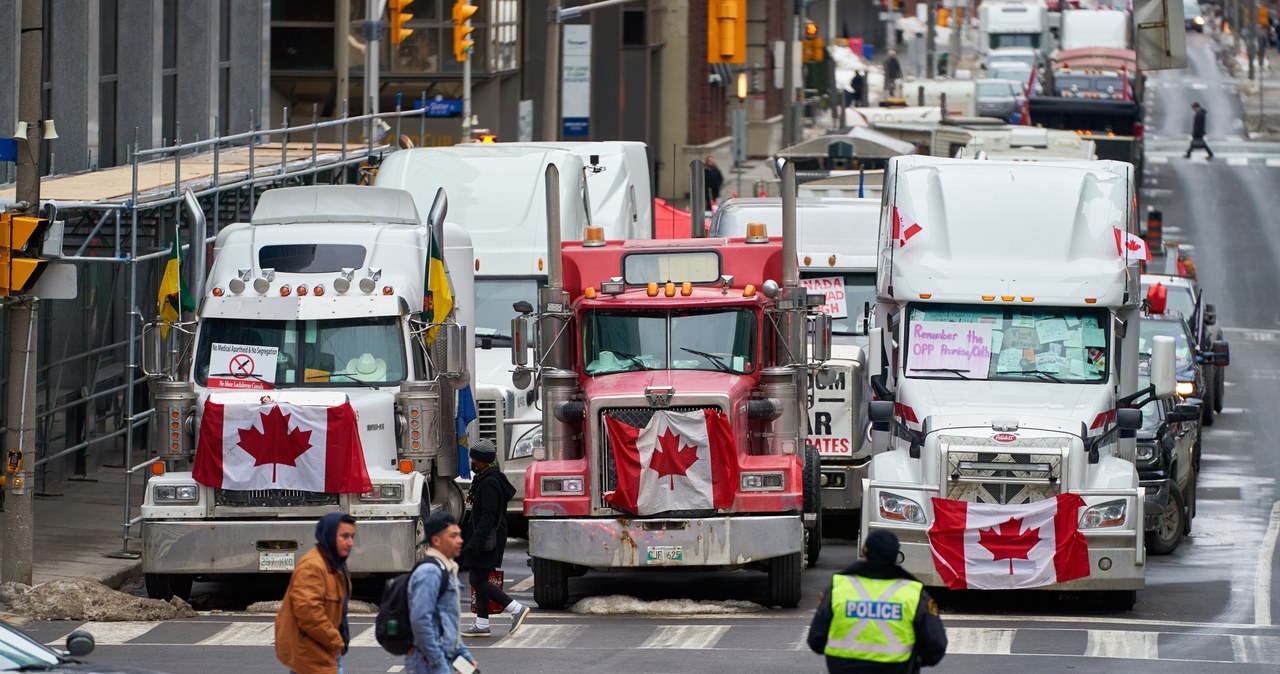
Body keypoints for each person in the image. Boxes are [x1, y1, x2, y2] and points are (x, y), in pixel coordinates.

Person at [807, 531, 947, 673]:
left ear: (865, 553)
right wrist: (914, 661)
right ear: (895, 556)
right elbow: (935, 646)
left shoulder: (838, 588)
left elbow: (816, 640)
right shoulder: (913, 593)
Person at [460, 439, 530, 638]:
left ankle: (516, 608)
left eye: (475, 459)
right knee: (480, 578)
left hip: (487, 539)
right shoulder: (485, 478)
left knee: (477, 579)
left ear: (483, 461)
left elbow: (488, 517)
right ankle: (482, 624)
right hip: (488, 537)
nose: (473, 462)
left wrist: (475, 542)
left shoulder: (490, 483)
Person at [275, 512, 357, 674]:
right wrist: (334, 642)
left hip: (324, 651)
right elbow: (309, 613)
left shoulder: (335, 563)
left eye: (352, 536)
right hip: (312, 654)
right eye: (345, 536)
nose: (350, 543)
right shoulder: (312, 566)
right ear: (329, 535)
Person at [406, 512, 477, 674]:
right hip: (427, 662)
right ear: (436, 540)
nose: (460, 540)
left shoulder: (447, 568)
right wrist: (437, 661)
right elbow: (420, 620)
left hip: (441, 657)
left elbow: (448, 622)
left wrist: (463, 656)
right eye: (453, 536)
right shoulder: (430, 572)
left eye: (459, 535)